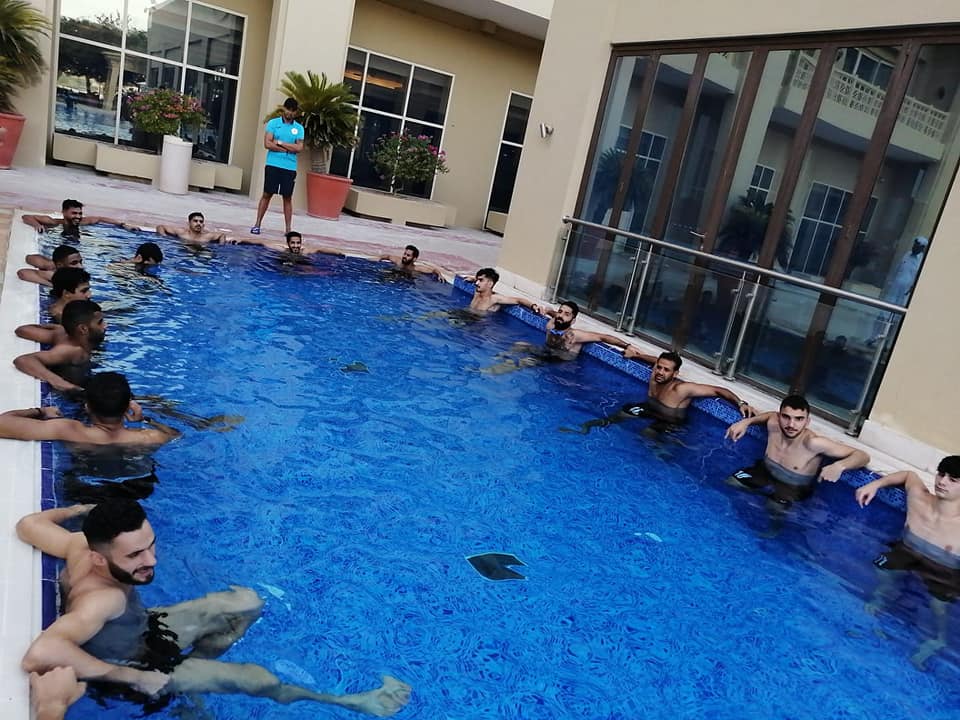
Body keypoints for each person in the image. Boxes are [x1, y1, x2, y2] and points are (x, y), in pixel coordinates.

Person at [17, 500, 412, 714]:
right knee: (256, 678)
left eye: (150, 545)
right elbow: (41, 652)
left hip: (143, 628)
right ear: (100, 559)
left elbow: (28, 525)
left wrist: (75, 511)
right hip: (135, 663)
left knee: (245, 603)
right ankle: (351, 702)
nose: (152, 560)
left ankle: (193, 676)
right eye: (135, 555)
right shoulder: (102, 600)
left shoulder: (79, 546)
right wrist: (132, 677)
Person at [855, 455, 960, 669]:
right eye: (941, 474)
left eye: (953, 480)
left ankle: (939, 638)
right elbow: (909, 475)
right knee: (882, 566)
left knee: (938, 605)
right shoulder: (919, 500)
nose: (942, 482)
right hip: (907, 553)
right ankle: (881, 598)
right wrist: (874, 484)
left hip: (943, 569)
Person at [561, 350, 756, 433]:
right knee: (620, 413)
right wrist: (636, 355)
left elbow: (720, 390)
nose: (660, 372)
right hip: (650, 408)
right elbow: (653, 360)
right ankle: (585, 428)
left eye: (666, 370)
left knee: (648, 434)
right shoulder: (655, 375)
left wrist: (741, 403)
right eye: (659, 367)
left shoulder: (681, 389)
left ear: (675, 373)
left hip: (669, 421)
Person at [725, 394, 870, 505]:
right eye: (786, 417)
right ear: (779, 416)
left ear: (807, 421)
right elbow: (769, 415)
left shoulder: (813, 443)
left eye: (799, 419)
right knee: (730, 482)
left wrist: (839, 466)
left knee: (774, 508)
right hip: (765, 472)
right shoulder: (774, 424)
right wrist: (746, 422)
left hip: (792, 487)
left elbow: (863, 456)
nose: (791, 424)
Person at [0, 372, 180, 447]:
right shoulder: (149, 437)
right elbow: (176, 435)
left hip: (86, 487)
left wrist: (40, 412)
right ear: (128, 407)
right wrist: (145, 419)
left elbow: (3, 423)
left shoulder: (69, 430)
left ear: (87, 407)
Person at [484, 300, 632, 374]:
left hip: (560, 360)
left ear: (573, 320)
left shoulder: (575, 335)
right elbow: (554, 314)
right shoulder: (552, 324)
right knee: (520, 344)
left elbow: (603, 337)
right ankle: (500, 357)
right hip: (545, 351)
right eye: (560, 312)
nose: (561, 316)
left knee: (526, 361)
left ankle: (493, 371)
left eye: (567, 314)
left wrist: (627, 346)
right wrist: (548, 310)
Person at [14, 300, 106, 393]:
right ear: (83, 329)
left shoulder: (61, 333)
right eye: (100, 322)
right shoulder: (71, 351)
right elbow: (23, 360)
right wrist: (59, 382)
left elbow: (22, 330)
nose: (105, 325)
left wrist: (61, 327)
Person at [251, 98, 304, 235]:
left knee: (287, 197)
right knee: (267, 194)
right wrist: (288, 149)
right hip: (273, 164)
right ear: (283, 108)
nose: (289, 113)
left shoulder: (299, 128)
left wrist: (279, 143)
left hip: (289, 167)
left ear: (296, 112)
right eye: (288, 109)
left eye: (293, 111)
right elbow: (267, 144)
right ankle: (257, 224)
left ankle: (288, 229)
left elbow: (299, 148)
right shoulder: (273, 123)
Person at [870, 236, 929, 344]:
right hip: (893, 290)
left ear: (922, 248)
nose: (915, 247)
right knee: (883, 314)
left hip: (904, 294)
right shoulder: (907, 254)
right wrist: (889, 283)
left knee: (896, 319)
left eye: (918, 246)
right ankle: (872, 338)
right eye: (914, 244)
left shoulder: (922, 261)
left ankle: (886, 344)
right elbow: (897, 270)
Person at [22, 199, 138, 239]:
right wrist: (37, 225)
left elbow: (100, 218)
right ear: (64, 212)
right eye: (74, 213)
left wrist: (123, 224)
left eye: (80, 213)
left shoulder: (83, 222)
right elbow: (26, 216)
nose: (78, 216)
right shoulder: (54, 222)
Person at [464, 267, 543, 314]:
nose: (477, 283)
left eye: (480, 280)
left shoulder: (494, 299)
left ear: (490, 284)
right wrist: (473, 278)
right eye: (477, 280)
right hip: (465, 315)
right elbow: (478, 281)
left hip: (476, 325)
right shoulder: (478, 291)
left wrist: (533, 306)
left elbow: (519, 300)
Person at [17, 245, 83, 287]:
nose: (81, 267)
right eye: (74, 263)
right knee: (48, 264)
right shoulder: (53, 274)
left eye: (81, 262)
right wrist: (52, 283)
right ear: (60, 265)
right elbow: (22, 272)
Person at [379, 245, 446, 280]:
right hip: (395, 274)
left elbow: (433, 270)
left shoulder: (416, 268)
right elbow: (388, 256)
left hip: (407, 278)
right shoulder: (398, 261)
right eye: (404, 254)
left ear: (414, 259)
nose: (404, 256)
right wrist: (379, 258)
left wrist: (440, 274)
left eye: (408, 255)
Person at [156, 212, 226, 245]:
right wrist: (164, 237)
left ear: (203, 225)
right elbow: (160, 227)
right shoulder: (182, 232)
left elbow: (222, 235)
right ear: (189, 223)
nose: (198, 223)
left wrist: (221, 245)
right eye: (195, 221)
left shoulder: (207, 236)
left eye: (201, 222)